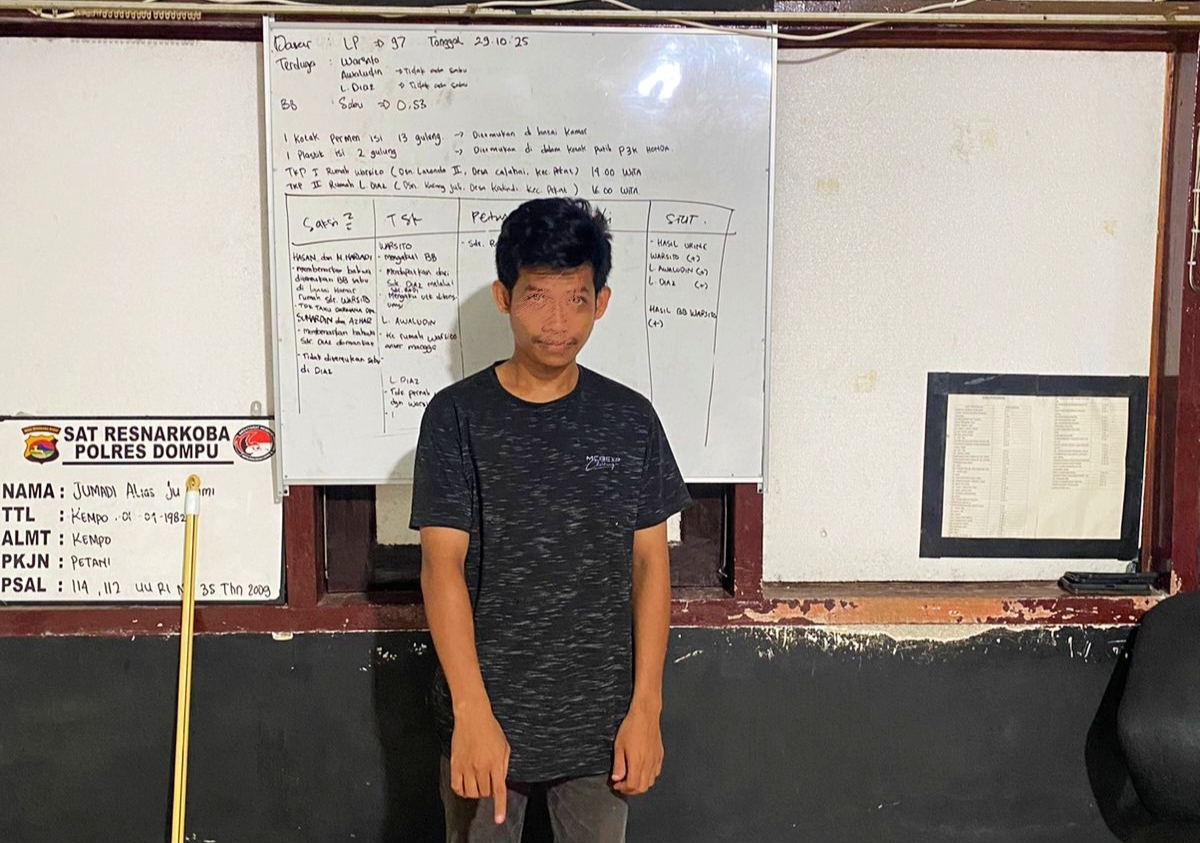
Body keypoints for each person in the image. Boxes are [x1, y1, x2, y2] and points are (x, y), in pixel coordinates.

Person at [410, 197, 691, 843]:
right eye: (537, 297)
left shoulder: (629, 418)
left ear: (602, 301)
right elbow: (440, 567)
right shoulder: (456, 416)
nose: (558, 322)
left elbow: (650, 564)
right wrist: (471, 712)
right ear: (504, 298)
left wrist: (646, 708)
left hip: (601, 728)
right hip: (485, 720)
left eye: (576, 299)